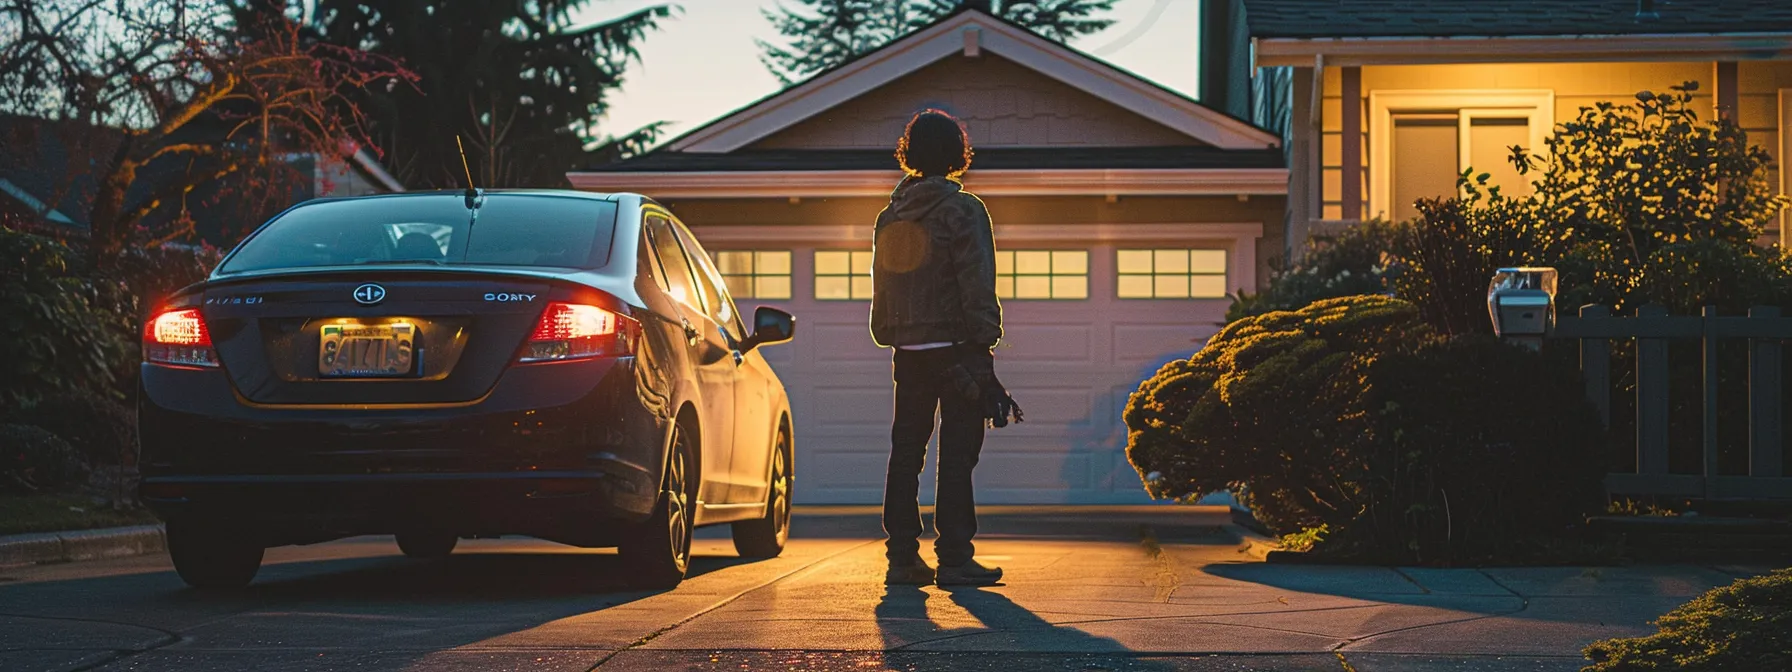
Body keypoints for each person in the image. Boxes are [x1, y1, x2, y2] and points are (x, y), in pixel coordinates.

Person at [870, 109, 1007, 587]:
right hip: (956, 351)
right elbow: (976, 281)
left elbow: (884, 284)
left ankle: (902, 559)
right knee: (957, 454)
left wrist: (892, 331)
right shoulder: (964, 210)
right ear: (956, 154)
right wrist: (984, 341)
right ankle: (954, 558)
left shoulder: (891, 213)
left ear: (910, 153)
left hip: (908, 351)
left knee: (907, 451)